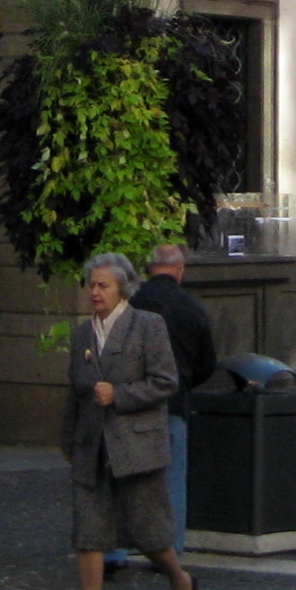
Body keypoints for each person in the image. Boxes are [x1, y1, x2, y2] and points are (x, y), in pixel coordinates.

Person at [53, 254, 196, 590]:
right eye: (92, 285)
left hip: (135, 445)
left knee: (149, 533)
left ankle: (180, 582)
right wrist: (68, 440)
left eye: (104, 286)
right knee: (89, 531)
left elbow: (166, 382)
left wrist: (121, 394)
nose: (95, 293)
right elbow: (76, 394)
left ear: (122, 289)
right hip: (91, 446)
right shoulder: (83, 334)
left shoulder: (147, 325)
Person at [103, 242, 216, 569]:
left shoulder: (130, 303)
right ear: (180, 271)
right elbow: (206, 363)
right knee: (171, 481)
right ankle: (169, 551)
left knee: (122, 478)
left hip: (128, 404)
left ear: (150, 268)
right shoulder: (191, 308)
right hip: (172, 403)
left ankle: (115, 551)